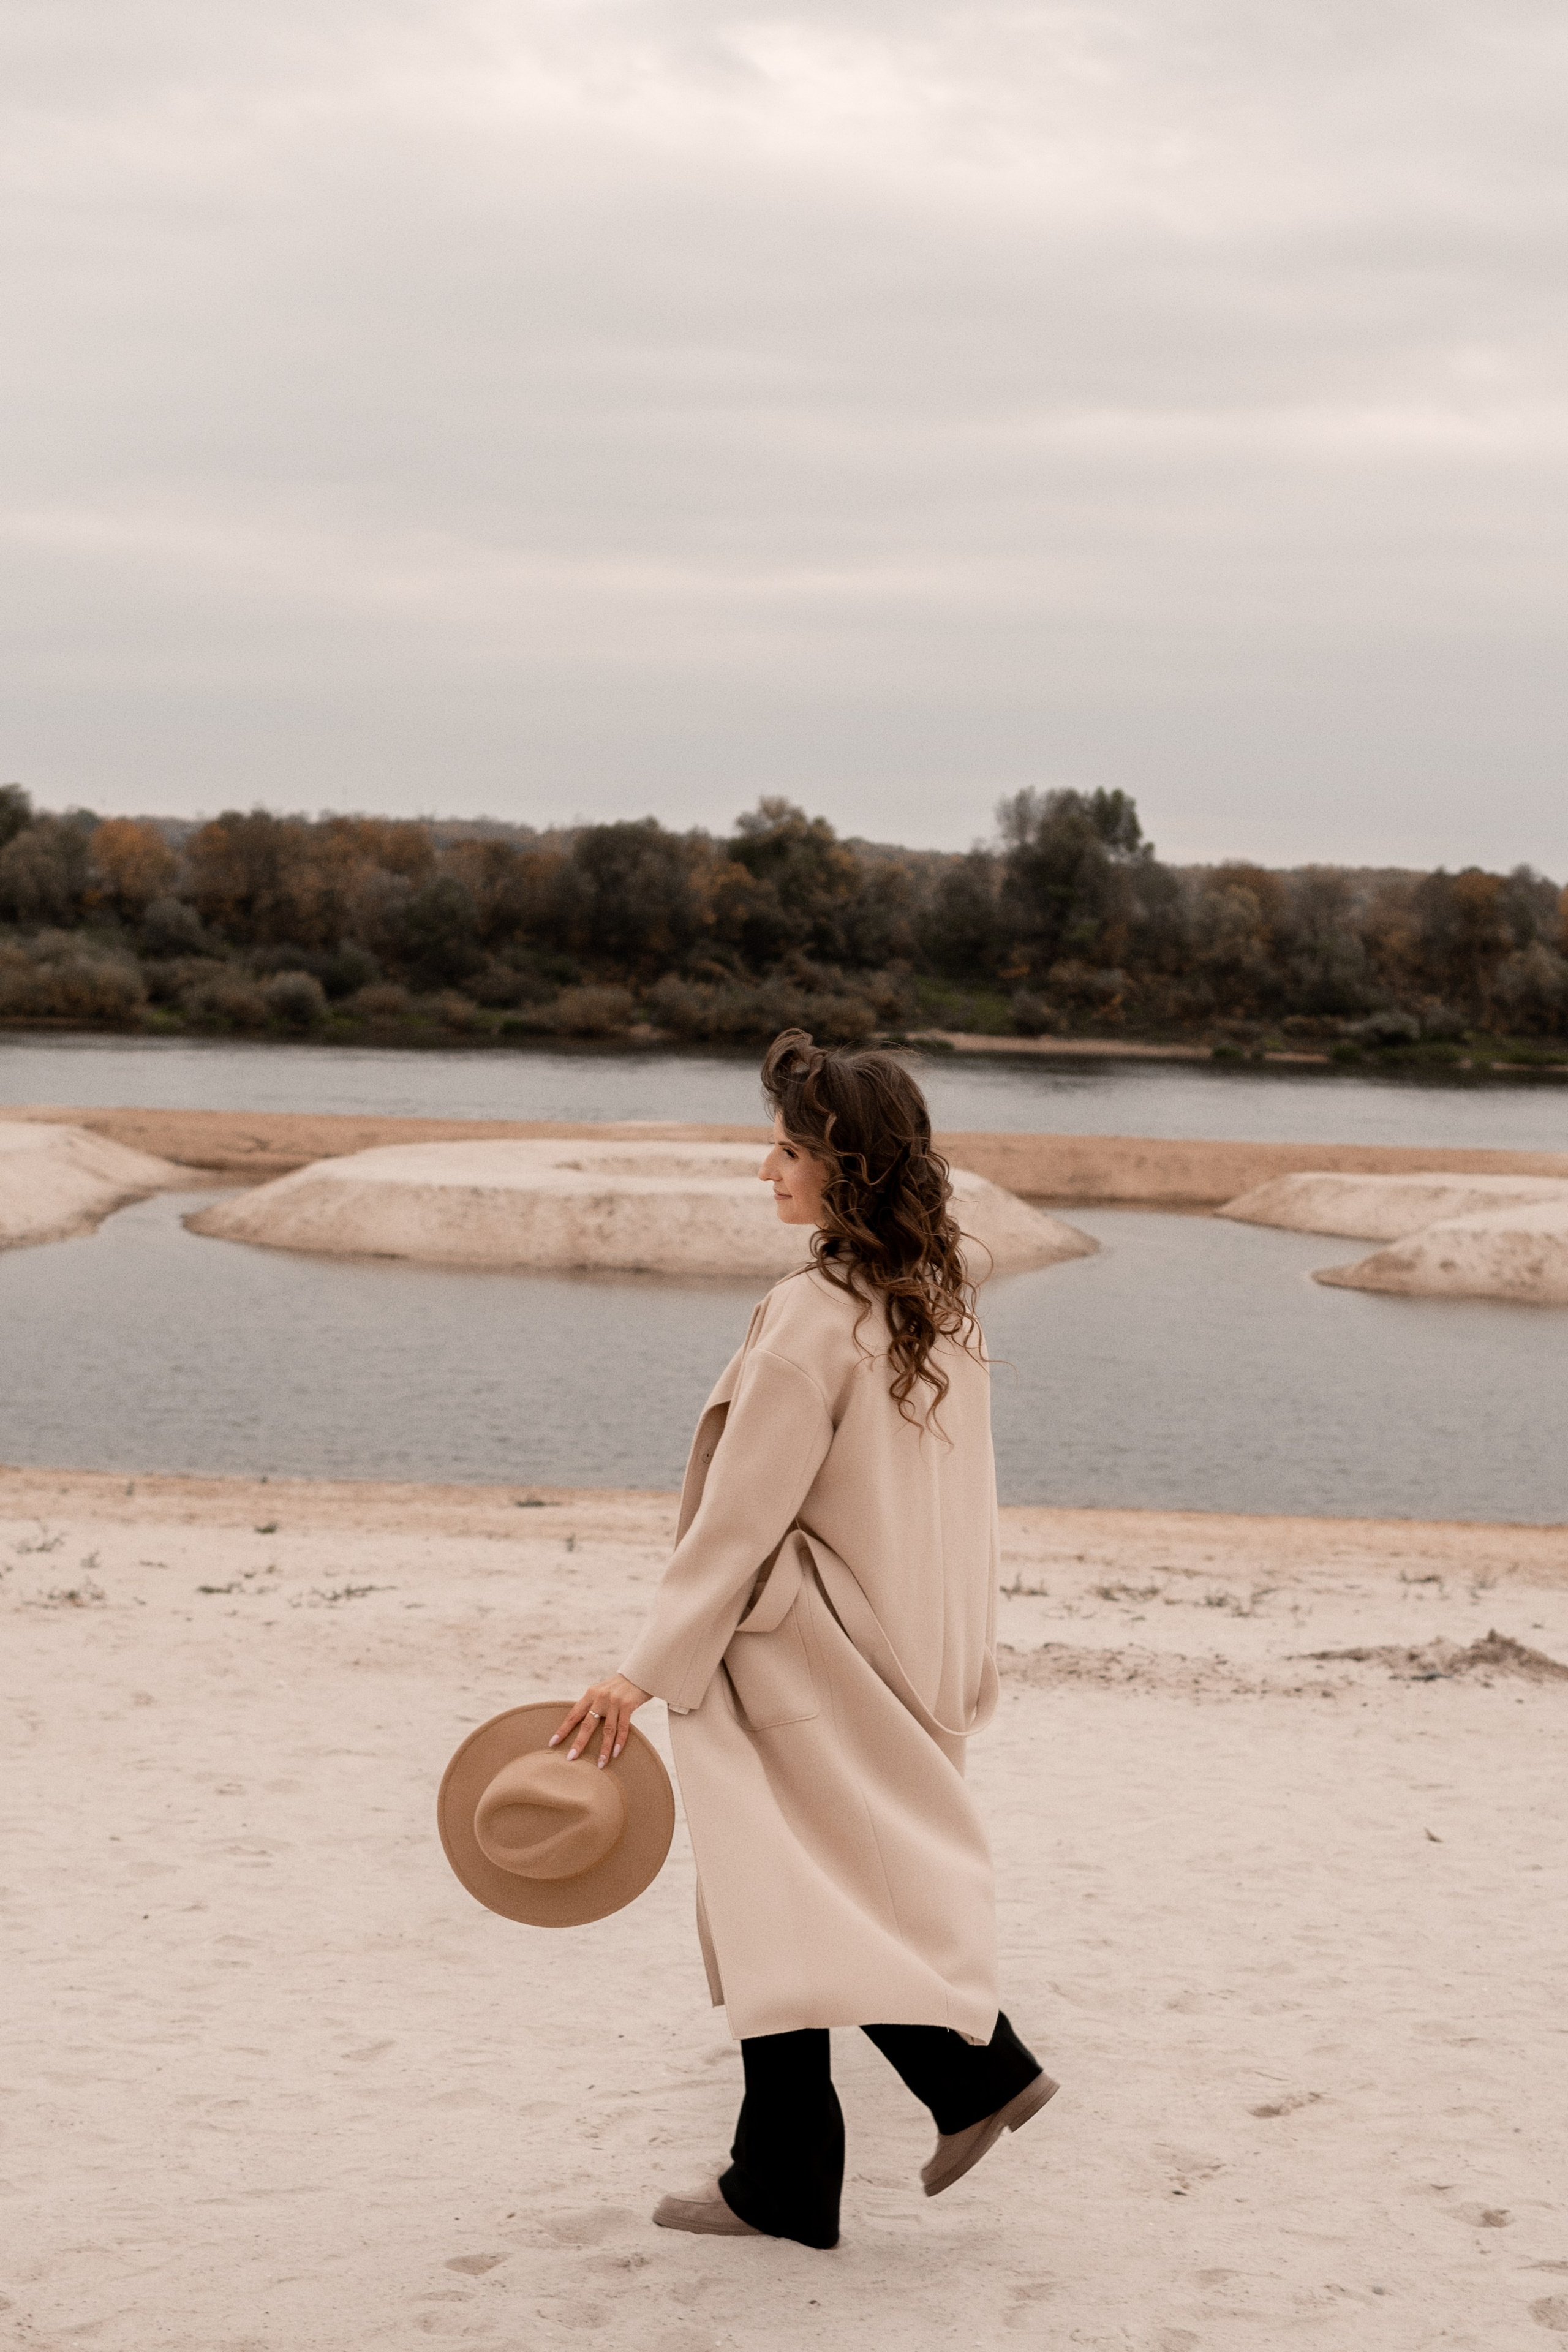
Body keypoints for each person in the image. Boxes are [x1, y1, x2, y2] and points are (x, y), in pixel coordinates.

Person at [552, 1029, 1055, 2250]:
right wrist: (959, 1665)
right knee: (794, 1900)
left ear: (846, 1167)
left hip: (787, 1654)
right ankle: (805, 2160)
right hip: (893, 1652)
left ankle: (954, 2085)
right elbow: (969, 1515)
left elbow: (737, 1521)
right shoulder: (937, 1310)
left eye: (785, 1150)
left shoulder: (809, 1314)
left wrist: (641, 1668)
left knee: (780, 1898)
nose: (761, 1169)